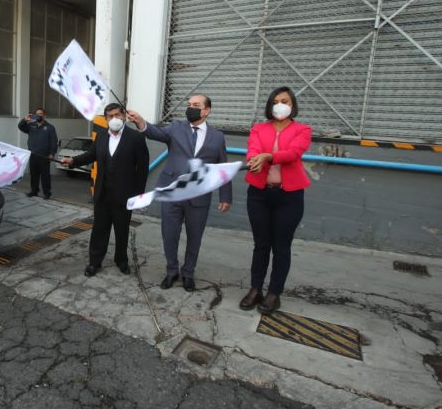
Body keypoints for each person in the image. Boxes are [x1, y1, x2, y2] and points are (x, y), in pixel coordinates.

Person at [127, 94, 232, 292]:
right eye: (189, 104)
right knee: (170, 234)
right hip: (172, 192)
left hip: (199, 196)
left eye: (196, 105)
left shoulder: (217, 137)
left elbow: (222, 167)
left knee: (195, 237)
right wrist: (141, 122)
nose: (190, 108)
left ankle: (189, 273)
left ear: (206, 110)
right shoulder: (176, 127)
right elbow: (155, 132)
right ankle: (171, 271)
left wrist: (225, 196)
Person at [239, 86, 311, 314]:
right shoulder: (259, 128)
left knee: (282, 246)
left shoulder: (303, 129)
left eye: (286, 101)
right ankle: (255, 289)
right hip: (259, 194)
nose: (281, 105)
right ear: (270, 105)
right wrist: (254, 159)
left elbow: (294, 153)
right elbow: (252, 150)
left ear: (293, 106)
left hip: (289, 196)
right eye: (277, 101)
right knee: (261, 244)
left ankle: (274, 293)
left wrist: (269, 156)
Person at [62, 104, 148, 277]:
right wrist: (73, 161)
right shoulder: (101, 136)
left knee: (122, 230)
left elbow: (143, 168)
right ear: (106, 118)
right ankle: (95, 262)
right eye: (110, 116)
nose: (114, 119)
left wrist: (139, 194)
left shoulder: (135, 138)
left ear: (124, 115)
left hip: (124, 195)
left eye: (117, 115)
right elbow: (90, 155)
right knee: (99, 230)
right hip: (102, 193)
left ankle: (121, 261)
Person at [18, 108, 57, 199]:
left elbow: (53, 141)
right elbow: (20, 127)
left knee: (45, 175)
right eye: (36, 114)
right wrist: (24, 120)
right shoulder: (32, 125)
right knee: (34, 174)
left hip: (44, 156)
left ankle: (47, 193)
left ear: (44, 116)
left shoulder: (50, 127)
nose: (38, 115)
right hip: (33, 154)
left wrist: (52, 153)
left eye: (40, 114)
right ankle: (34, 191)